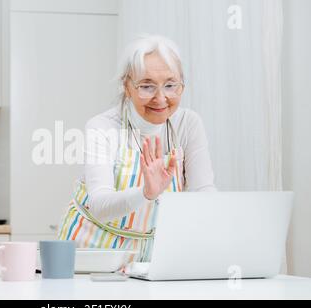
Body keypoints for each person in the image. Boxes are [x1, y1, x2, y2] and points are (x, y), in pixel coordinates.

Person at [58, 35, 216, 262]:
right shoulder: (102, 127)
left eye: (171, 85)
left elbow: (204, 192)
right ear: (127, 86)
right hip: (92, 251)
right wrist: (146, 193)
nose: (160, 98)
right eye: (147, 86)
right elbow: (100, 204)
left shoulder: (188, 124)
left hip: (150, 255)